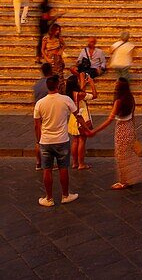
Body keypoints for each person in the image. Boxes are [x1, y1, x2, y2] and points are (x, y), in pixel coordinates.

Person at [86, 77, 142, 190]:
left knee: (121, 156)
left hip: (121, 129)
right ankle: (131, 178)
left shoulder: (118, 101)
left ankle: (123, 181)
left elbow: (109, 120)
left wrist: (94, 131)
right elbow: (133, 115)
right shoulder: (130, 98)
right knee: (129, 155)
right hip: (129, 128)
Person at [33, 74, 79, 206]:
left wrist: (39, 139)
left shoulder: (40, 103)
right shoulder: (65, 100)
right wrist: (86, 127)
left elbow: (37, 125)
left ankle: (49, 198)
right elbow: (77, 114)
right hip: (62, 139)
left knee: (46, 169)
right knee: (63, 168)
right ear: (58, 85)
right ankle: (65, 195)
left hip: (46, 140)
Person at [65, 63, 97, 169]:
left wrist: (82, 80)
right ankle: (81, 163)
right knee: (82, 140)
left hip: (73, 118)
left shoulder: (69, 93)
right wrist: (91, 83)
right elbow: (94, 95)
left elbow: (81, 90)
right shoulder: (80, 95)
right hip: (81, 118)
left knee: (75, 140)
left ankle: (74, 162)